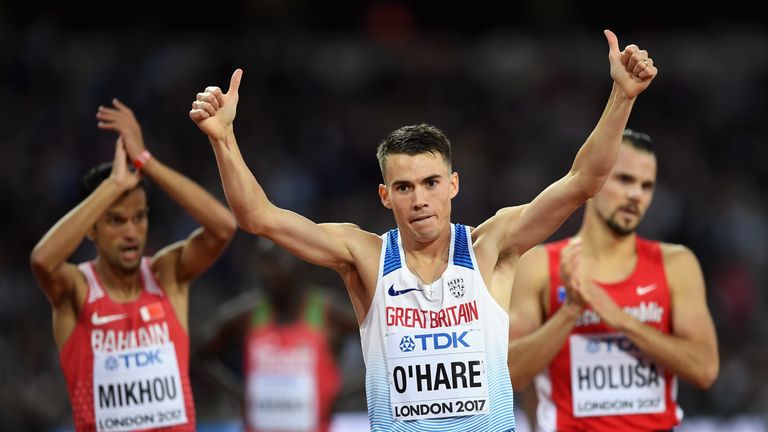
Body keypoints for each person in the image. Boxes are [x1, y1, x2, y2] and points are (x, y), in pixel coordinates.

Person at [189, 30, 656, 431]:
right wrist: (223, 139)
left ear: (453, 184)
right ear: (385, 195)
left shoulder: (491, 246)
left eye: (431, 183)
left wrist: (622, 98)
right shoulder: (365, 256)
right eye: (404, 187)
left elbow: (583, 183)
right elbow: (258, 217)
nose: (420, 199)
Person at [30, 99, 237, 431]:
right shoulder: (76, 288)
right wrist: (113, 185)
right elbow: (42, 260)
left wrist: (145, 160)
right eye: (115, 220)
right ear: (91, 229)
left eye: (138, 218)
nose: (131, 232)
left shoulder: (166, 274)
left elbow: (223, 226)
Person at [507, 130, 719, 431]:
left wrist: (623, 321)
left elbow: (705, 368)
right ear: (595, 180)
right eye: (624, 180)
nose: (636, 195)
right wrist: (570, 312)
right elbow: (508, 375)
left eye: (646, 186)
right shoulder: (540, 266)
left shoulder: (676, 264)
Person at [195, 239, 359, 432]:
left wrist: (343, 395)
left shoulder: (329, 313)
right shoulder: (247, 315)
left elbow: (384, 348)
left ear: (300, 261)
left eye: (276, 260)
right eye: (263, 262)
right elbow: (197, 355)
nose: (268, 271)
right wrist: (236, 394)